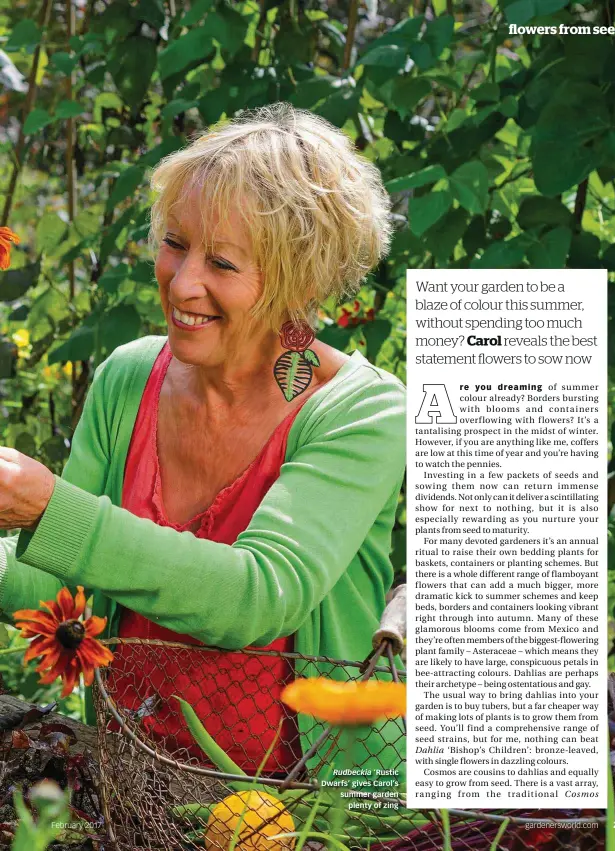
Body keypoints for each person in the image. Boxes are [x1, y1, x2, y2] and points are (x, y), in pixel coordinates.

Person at [0, 103, 406, 779]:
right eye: (175, 243)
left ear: (298, 278)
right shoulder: (130, 378)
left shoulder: (359, 412)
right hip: (133, 781)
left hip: (305, 810)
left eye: (221, 261)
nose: (182, 282)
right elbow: (52, 587)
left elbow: (259, 595)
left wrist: (49, 507)